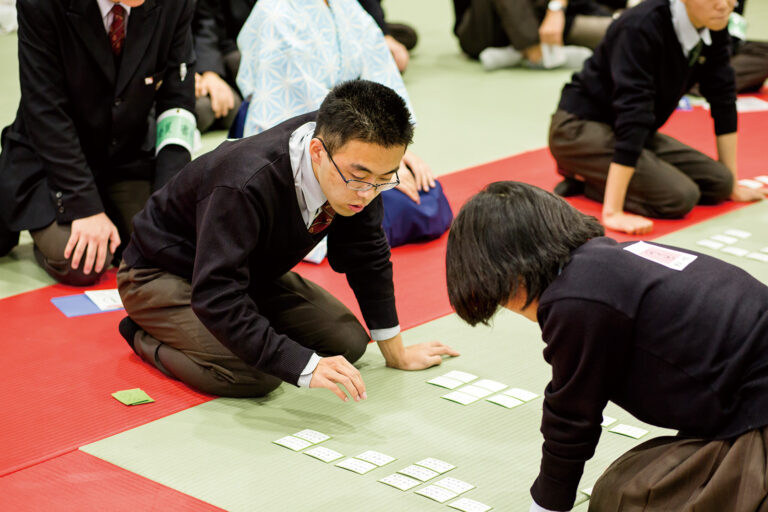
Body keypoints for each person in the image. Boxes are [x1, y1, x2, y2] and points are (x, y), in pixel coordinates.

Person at [117, 80, 459, 399]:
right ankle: (143, 333)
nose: (368, 192)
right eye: (359, 178)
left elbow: (367, 254)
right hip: (161, 273)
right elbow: (217, 295)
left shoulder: (357, 159)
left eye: (384, 179)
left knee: (349, 343)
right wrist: (305, 366)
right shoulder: (243, 181)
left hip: (247, 272)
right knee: (255, 375)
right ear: (317, 152)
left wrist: (395, 351)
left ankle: (220, 329)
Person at [446, 181, 768, 512]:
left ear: (509, 271)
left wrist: (546, 506)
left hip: (758, 415)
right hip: (741, 399)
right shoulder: (614, 256)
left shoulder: (576, 298)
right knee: (627, 481)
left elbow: (571, 415)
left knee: (625, 499)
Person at [0, 0, 196, 285]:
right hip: (51, 161)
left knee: (167, 249)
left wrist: (171, 202)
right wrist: (84, 207)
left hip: (127, 156)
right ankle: (35, 224)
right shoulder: (41, 4)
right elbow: (45, 112)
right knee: (86, 263)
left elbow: (177, 103)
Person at [235, 0, 452, 247]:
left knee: (427, 197)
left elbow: (378, 72)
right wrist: (373, 160)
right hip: (303, 140)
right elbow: (297, 106)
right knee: (408, 208)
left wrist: (393, 153)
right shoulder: (275, 11)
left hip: (359, 130)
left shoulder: (345, 4)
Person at [548, 0, 766, 236]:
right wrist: (613, 211)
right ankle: (583, 175)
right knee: (679, 197)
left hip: (631, 132)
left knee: (719, 183)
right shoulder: (640, 25)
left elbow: (723, 97)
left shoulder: (713, 21)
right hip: (577, 129)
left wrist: (733, 185)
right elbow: (634, 112)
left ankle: (595, 173)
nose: (725, 6)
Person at [452, 0, 612, 71]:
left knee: (620, 32)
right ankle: (537, 53)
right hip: (483, 29)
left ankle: (516, 54)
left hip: (542, 17)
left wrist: (556, 9)